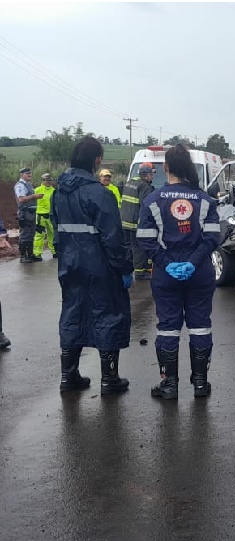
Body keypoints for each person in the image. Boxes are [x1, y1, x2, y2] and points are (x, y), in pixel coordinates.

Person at [51, 136, 133, 395]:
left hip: (69, 265)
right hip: (100, 267)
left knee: (72, 314)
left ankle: (68, 376)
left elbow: (57, 231)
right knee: (107, 316)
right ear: (97, 160)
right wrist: (124, 268)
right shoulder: (100, 194)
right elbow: (113, 237)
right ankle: (109, 379)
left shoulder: (57, 193)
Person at [137, 144, 220, 400]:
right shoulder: (206, 201)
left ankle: (170, 385)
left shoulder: (152, 200)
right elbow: (213, 238)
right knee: (200, 327)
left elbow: (145, 239)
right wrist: (193, 263)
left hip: (165, 275)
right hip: (200, 274)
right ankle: (199, 384)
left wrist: (167, 263)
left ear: (166, 168)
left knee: (168, 329)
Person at [120, 162, 155, 279]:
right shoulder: (145, 186)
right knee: (138, 248)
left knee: (128, 247)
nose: (152, 177)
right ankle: (140, 272)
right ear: (146, 175)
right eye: (151, 174)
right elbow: (146, 206)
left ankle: (128, 269)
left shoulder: (130, 182)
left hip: (124, 222)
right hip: (135, 223)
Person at [14, 167, 43, 263]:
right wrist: (34, 196)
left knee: (31, 234)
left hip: (31, 212)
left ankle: (30, 255)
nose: (30, 175)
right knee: (25, 234)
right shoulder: (20, 186)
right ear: (22, 175)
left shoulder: (29, 185)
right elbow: (21, 199)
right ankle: (23, 256)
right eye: (27, 174)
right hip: (25, 212)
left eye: (30, 174)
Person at [32, 172, 57, 260]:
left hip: (51, 216)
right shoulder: (37, 190)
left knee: (53, 234)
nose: (49, 182)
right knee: (39, 235)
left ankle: (55, 252)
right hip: (40, 216)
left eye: (50, 180)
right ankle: (37, 254)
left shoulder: (53, 190)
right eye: (47, 180)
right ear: (43, 180)